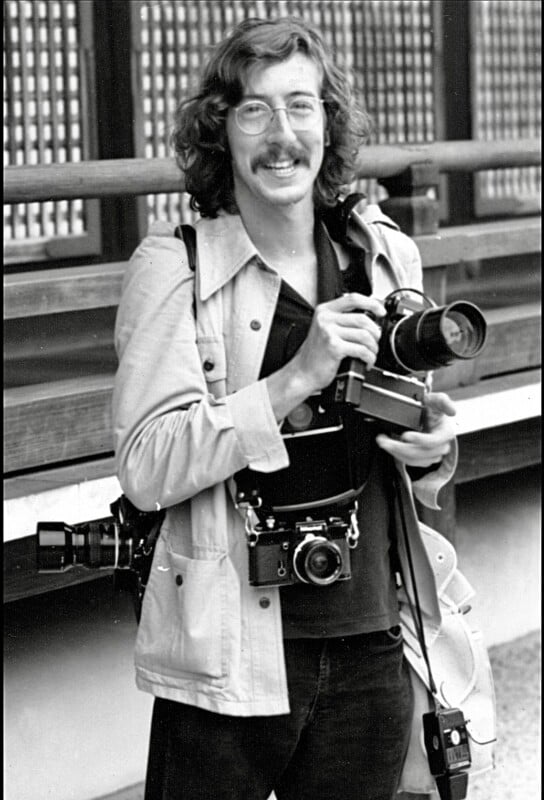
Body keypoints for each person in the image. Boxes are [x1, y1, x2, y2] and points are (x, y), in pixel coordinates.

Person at [112, 16, 458, 800]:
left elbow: (417, 442)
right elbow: (145, 464)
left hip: (371, 633)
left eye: (301, 106)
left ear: (328, 124)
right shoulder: (175, 267)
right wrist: (292, 379)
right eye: (255, 110)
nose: (281, 134)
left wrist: (433, 448)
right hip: (230, 651)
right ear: (221, 132)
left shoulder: (382, 254)